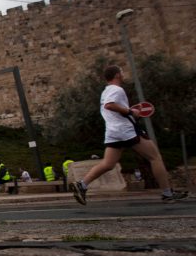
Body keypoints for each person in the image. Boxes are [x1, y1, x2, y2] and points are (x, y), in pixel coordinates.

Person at [70, 65, 189, 205]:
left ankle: (82, 185)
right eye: (121, 72)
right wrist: (130, 112)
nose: (123, 74)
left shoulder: (106, 91)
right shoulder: (117, 89)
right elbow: (109, 105)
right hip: (125, 130)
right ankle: (167, 193)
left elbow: (111, 108)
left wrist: (130, 112)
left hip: (113, 132)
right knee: (155, 157)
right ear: (117, 75)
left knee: (108, 164)